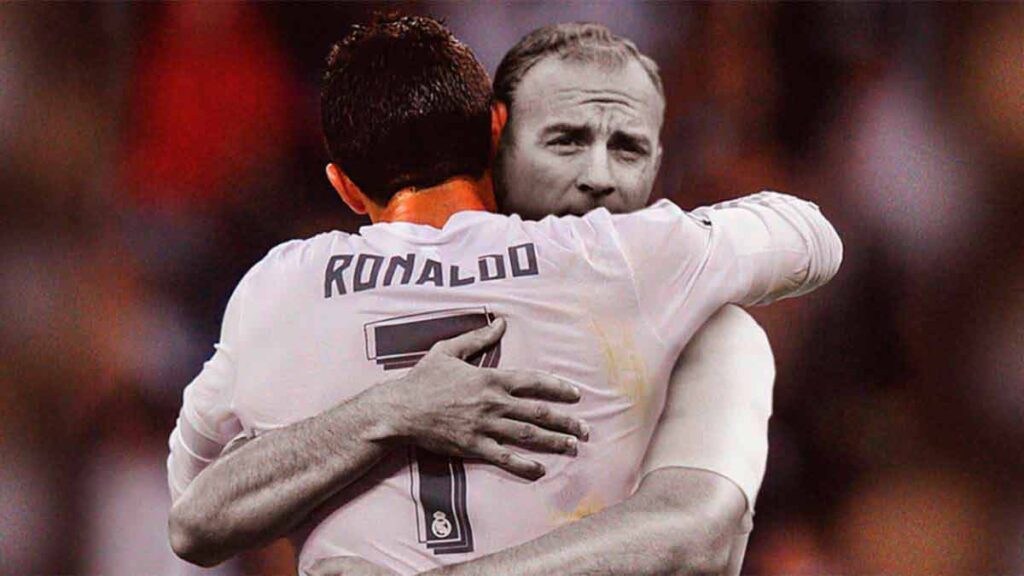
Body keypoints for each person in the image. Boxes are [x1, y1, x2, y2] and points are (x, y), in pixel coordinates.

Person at [167, 16, 841, 575]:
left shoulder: (281, 287)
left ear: (344, 186)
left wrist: (377, 413)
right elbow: (811, 235)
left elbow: (192, 506)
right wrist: (680, 233)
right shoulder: (610, 256)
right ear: (497, 131)